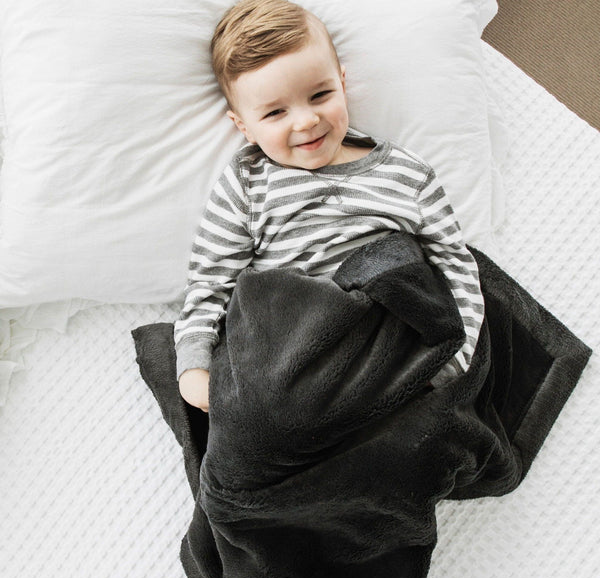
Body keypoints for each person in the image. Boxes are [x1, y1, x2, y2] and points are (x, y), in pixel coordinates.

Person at [174, 0, 485, 411]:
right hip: (297, 355)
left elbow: (454, 264)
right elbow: (211, 282)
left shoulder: (406, 174)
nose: (304, 121)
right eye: (275, 112)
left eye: (320, 95)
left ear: (342, 82)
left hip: (397, 351)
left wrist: (453, 358)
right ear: (243, 126)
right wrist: (194, 367)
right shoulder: (248, 183)